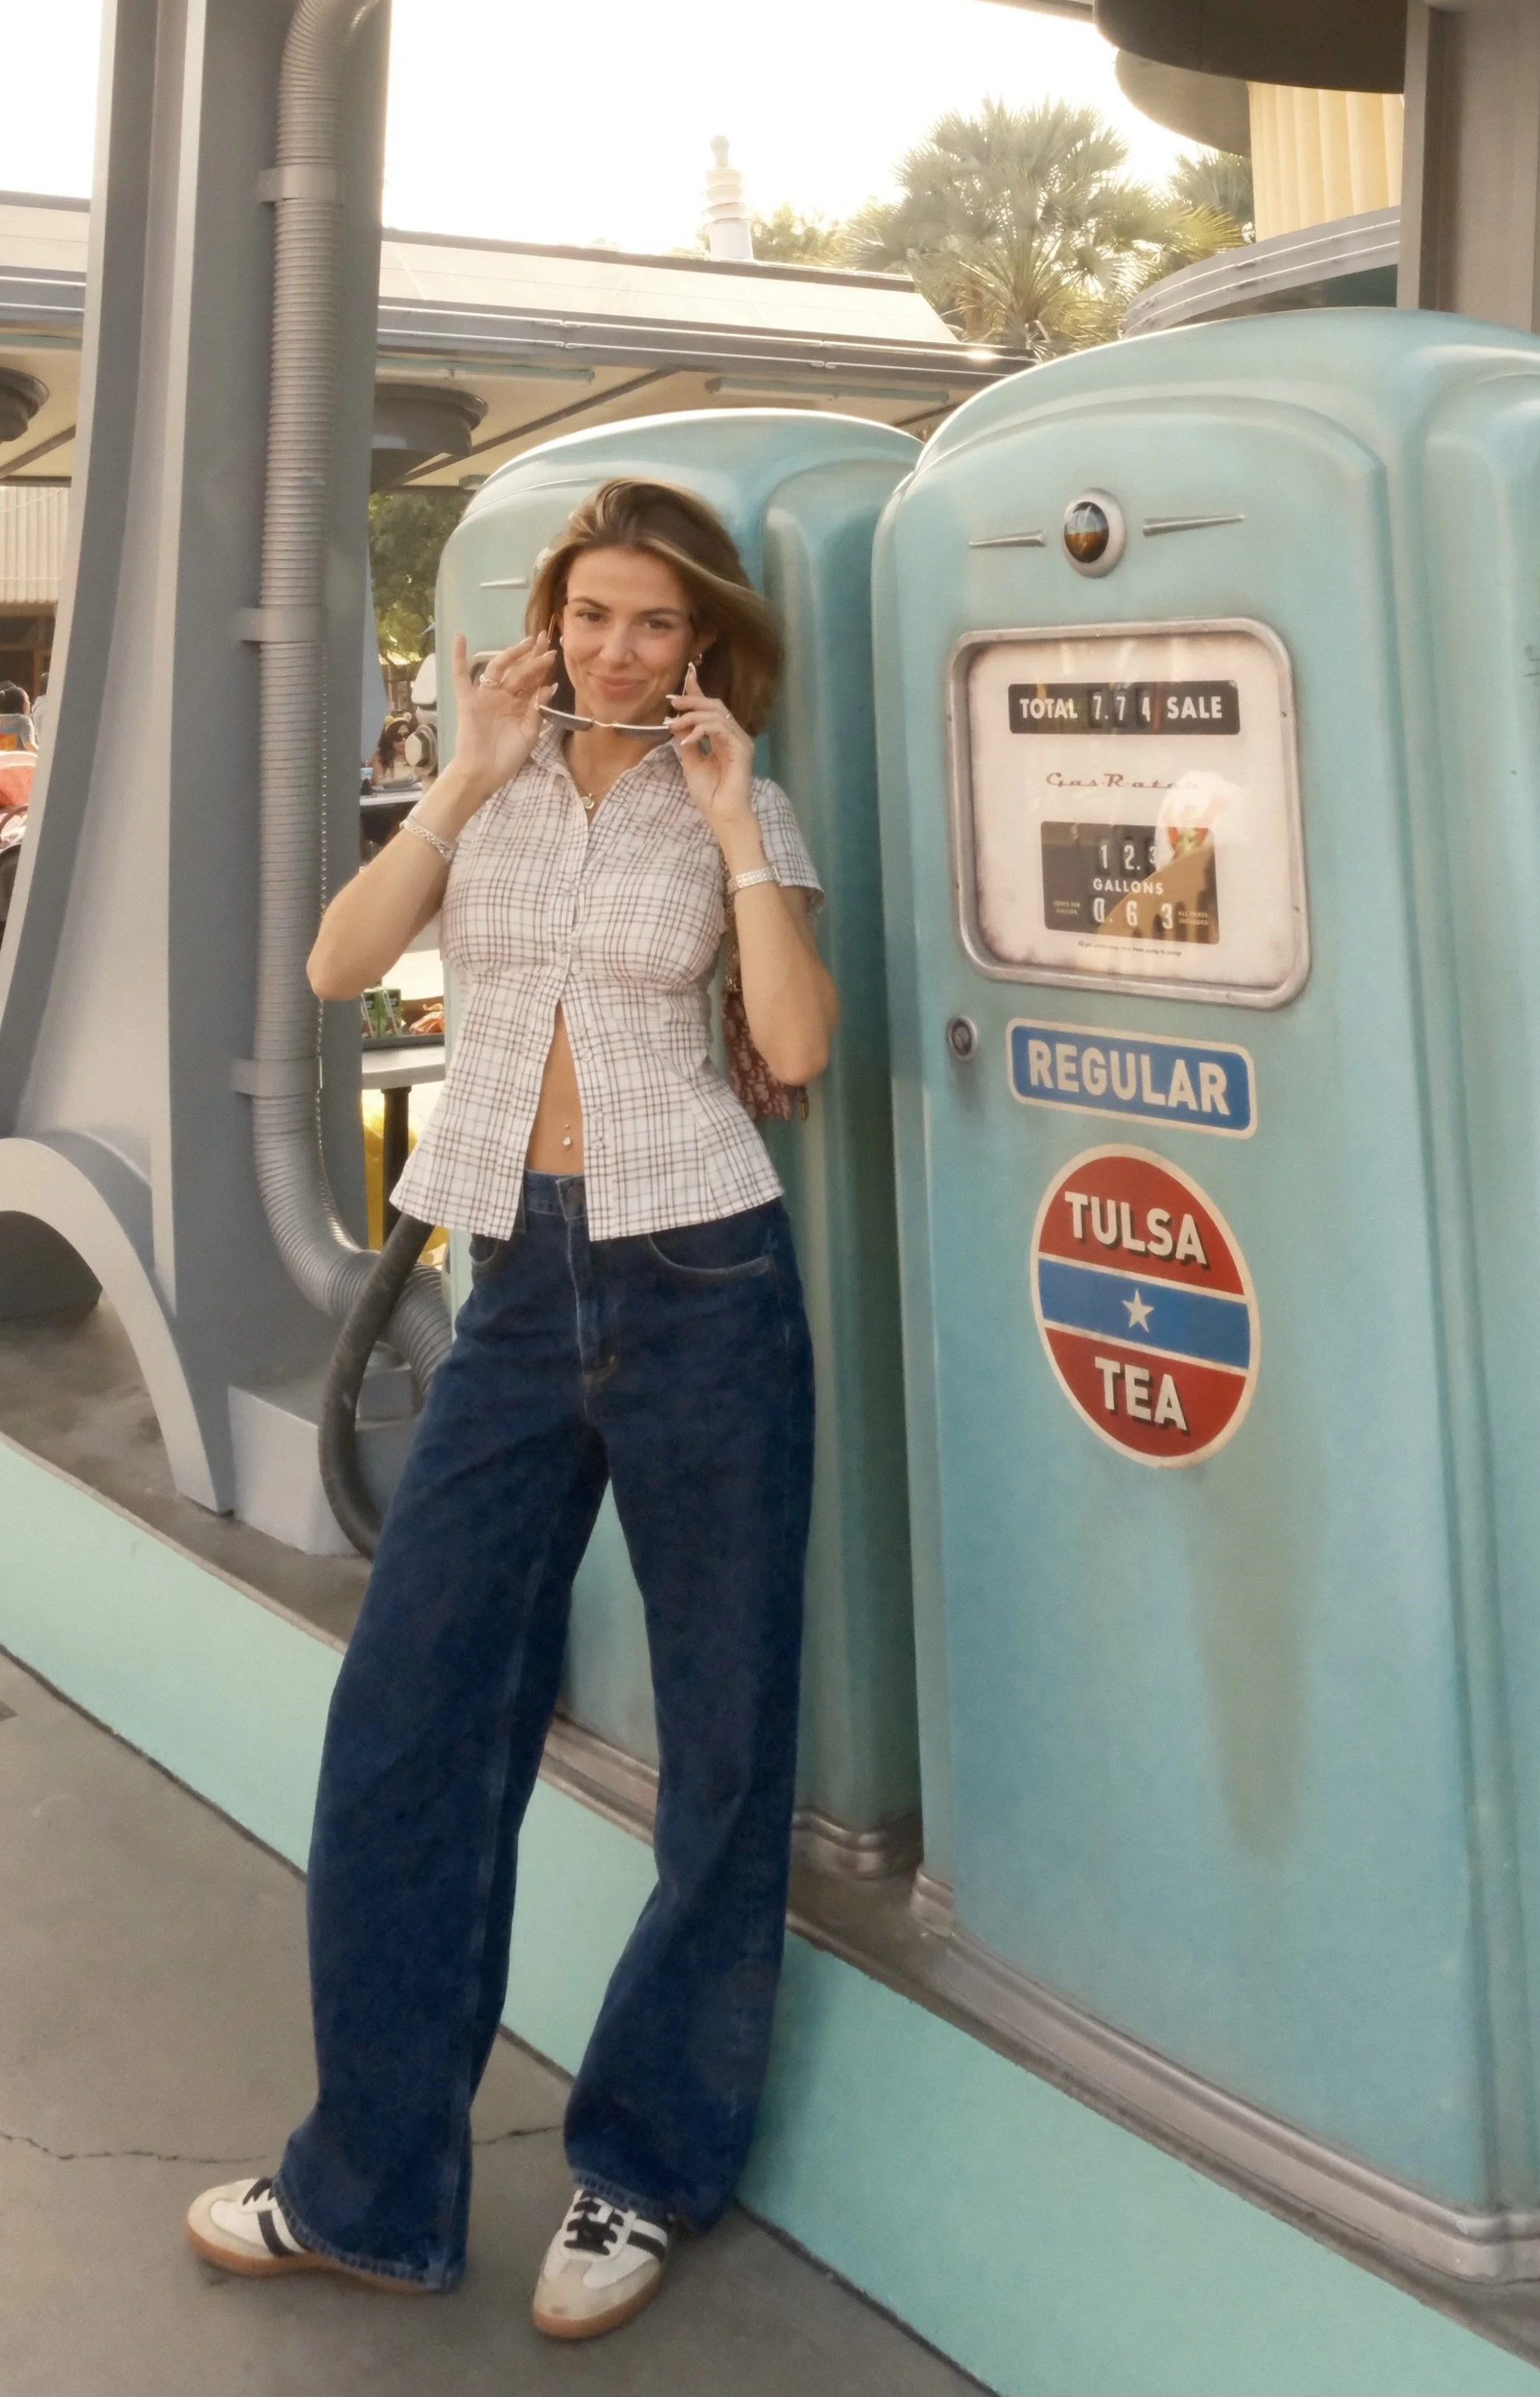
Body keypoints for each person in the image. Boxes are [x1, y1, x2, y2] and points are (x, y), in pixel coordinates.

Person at [187, 479, 838, 2339]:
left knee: (723, 1741)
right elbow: (335, 964)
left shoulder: (748, 803)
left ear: (702, 640)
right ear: (544, 623)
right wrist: (462, 778)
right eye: (590, 614)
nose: (617, 650)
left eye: (654, 622)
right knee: (406, 1716)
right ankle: (368, 2182)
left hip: (701, 1274)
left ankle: (643, 2167)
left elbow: (791, 1044)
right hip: (512, 1278)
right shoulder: (493, 789)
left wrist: (725, 830)